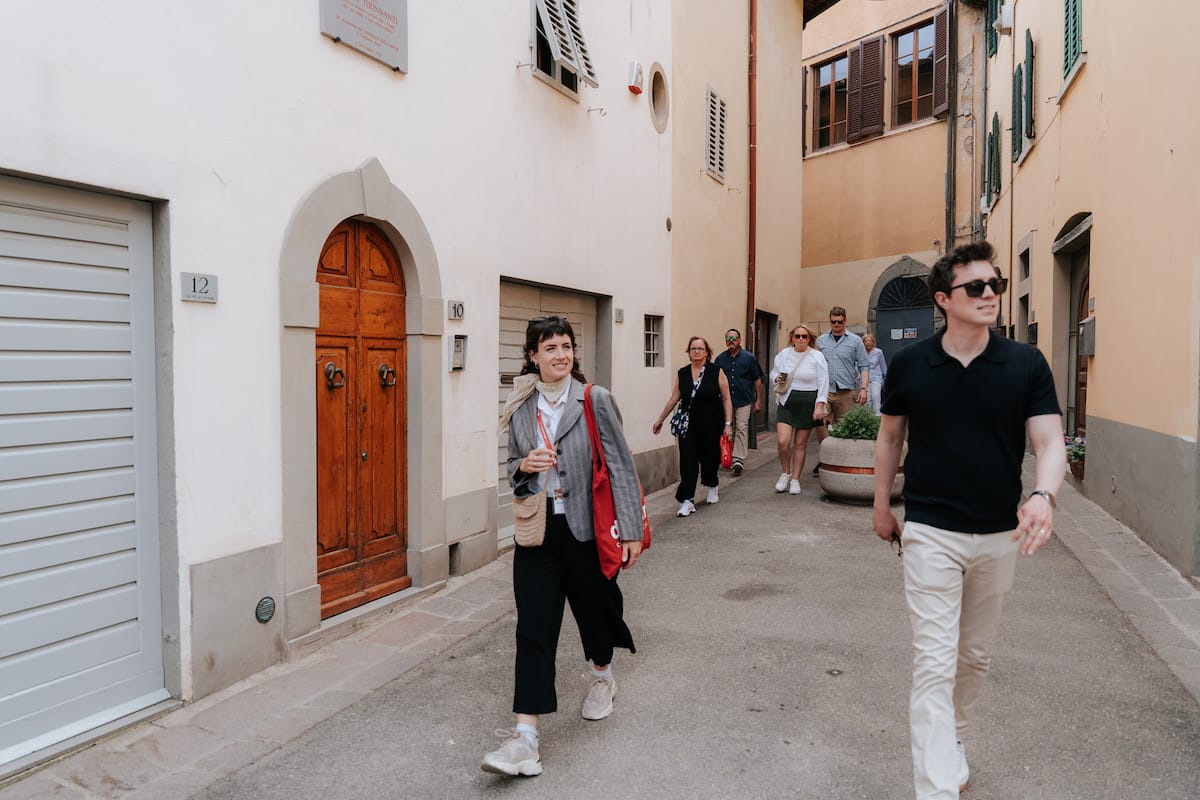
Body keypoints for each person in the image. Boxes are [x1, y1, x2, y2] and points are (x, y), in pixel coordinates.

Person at [872, 241, 1066, 799]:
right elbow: (890, 437)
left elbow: (1050, 440)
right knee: (934, 660)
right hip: (931, 529)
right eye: (975, 287)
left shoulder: (1025, 363)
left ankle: (953, 741)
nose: (990, 295)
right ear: (943, 299)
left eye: (996, 285)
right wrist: (883, 505)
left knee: (974, 656)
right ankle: (935, 788)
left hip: (998, 532)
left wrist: (1043, 497)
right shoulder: (910, 364)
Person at [485, 316, 645, 778]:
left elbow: (620, 464)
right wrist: (526, 466)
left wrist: (631, 528)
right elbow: (513, 467)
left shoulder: (594, 399)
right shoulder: (520, 405)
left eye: (566, 346)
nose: (560, 354)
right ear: (532, 355)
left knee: (595, 612)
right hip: (538, 531)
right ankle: (525, 740)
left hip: (587, 529)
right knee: (533, 627)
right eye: (550, 347)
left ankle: (601, 675)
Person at [652, 336, 733, 517]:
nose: (696, 351)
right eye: (693, 348)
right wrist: (660, 419)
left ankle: (712, 485)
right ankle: (687, 500)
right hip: (688, 425)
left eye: (700, 348)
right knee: (687, 461)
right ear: (688, 352)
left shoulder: (716, 371)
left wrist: (728, 424)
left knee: (710, 459)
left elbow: (726, 398)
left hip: (712, 423)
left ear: (706, 352)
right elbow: (674, 398)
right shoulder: (682, 373)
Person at [768, 324, 828, 495]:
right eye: (797, 336)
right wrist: (776, 377)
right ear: (792, 338)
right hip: (787, 402)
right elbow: (774, 373)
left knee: (800, 444)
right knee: (783, 442)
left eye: (804, 336)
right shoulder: (784, 355)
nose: (800, 339)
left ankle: (795, 479)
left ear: (810, 338)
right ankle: (785, 473)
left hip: (808, 403)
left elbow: (824, 382)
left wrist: (820, 405)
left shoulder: (817, 356)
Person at [814, 306, 870, 473]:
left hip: (846, 392)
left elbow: (864, 365)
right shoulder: (821, 341)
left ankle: (840, 462)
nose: (836, 325)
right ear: (829, 321)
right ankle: (826, 456)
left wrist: (864, 388)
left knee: (843, 428)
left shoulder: (855, 341)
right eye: (833, 322)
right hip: (824, 391)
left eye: (839, 322)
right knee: (819, 423)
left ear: (845, 321)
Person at [713, 328, 765, 475]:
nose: (731, 341)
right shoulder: (720, 359)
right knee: (726, 429)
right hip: (724, 401)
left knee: (741, 427)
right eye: (728, 339)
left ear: (740, 340)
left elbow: (757, 379)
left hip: (744, 400)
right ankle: (724, 456)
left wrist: (759, 400)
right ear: (725, 341)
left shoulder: (749, 358)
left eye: (734, 338)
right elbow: (714, 380)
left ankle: (738, 459)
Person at [863, 333, 887, 415]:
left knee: (876, 396)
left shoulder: (878, 352)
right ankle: (867, 418)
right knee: (867, 399)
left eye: (869, 341)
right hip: (865, 379)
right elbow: (857, 366)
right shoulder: (861, 353)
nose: (867, 343)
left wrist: (885, 378)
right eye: (865, 341)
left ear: (873, 342)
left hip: (876, 378)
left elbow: (883, 365)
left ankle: (878, 417)